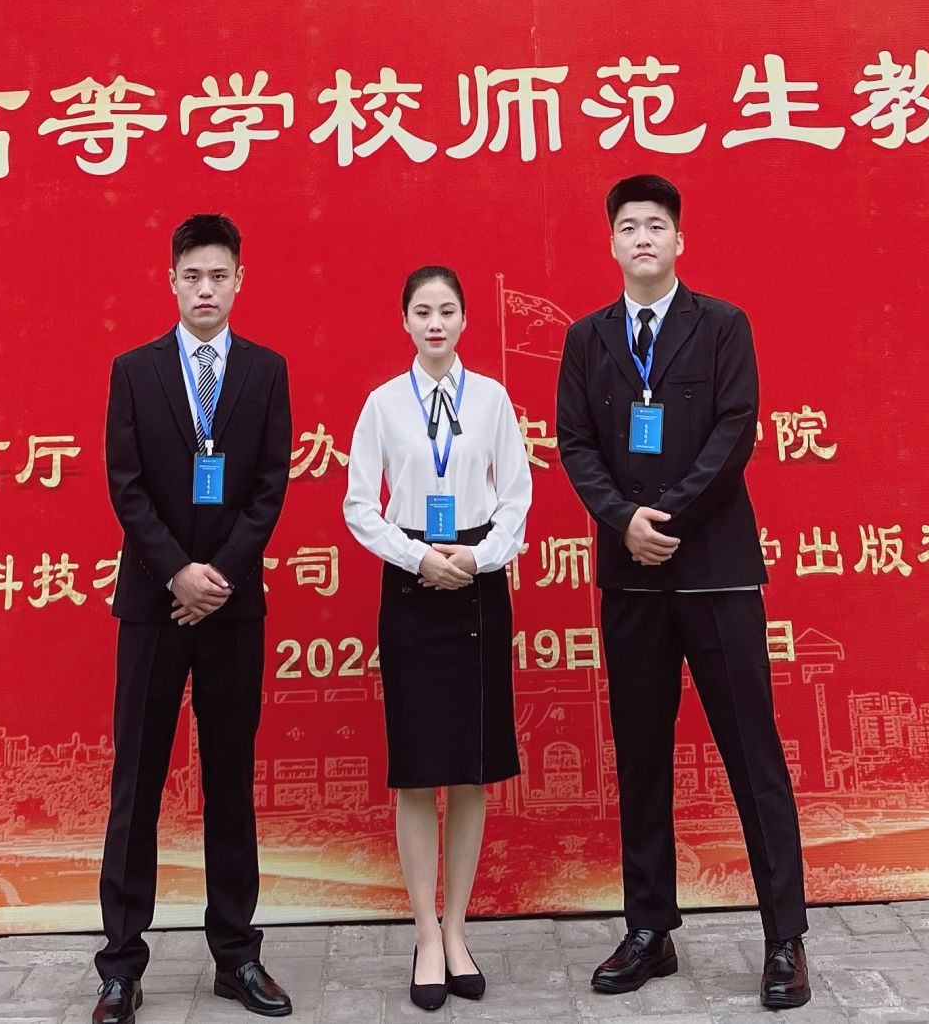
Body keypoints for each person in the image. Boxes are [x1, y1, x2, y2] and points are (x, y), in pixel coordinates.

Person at [554, 175, 812, 1011]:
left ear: (678, 241)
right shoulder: (588, 338)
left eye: (656, 225)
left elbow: (736, 429)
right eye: (628, 226)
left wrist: (668, 514)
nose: (642, 237)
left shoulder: (723, 324)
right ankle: (649, 929)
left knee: (752, 754)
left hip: (716, 572)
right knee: (640, 756)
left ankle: (784, 939)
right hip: (632, 576)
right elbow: (574, 442)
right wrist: (623, 519)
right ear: (611, 243)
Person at [93, 213, 295, 1023]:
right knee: (136, 783)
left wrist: (220, 576)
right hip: (153, 604)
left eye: (219, 275)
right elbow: (126, 484)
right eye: (192, 276)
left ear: (239, 281)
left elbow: (270, 486)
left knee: (231, 785)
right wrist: (177, 571)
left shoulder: (266, 371)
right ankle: (120, 966)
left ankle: (236, 956)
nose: (205, 288)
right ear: (171, 282)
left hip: (233, 607)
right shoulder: (135, 371)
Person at [343, 265, 532, 1012]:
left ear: (463, 320)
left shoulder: (491, 399)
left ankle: (458, 930)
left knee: (472, 769)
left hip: (478, 581)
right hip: (411, 582)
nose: (435, 323)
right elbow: (360, 506)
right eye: (422, 311)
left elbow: (516, 497)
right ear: (404, 321)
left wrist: (478, 559)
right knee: (420, 770)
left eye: (447, 310)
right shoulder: (384, 403)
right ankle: (425, 932)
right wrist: (417, 557)